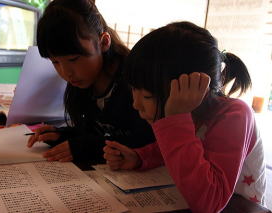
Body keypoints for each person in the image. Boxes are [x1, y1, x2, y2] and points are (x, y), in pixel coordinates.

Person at [103, 21, 266, 212]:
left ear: (192, 89)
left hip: (239, 207)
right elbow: (174, 148)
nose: (136, 104)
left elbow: (210, 203)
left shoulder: (235, 116)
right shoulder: (192, 112)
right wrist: (140, 158)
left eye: (147, 96)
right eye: (134, 90)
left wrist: (175, 119)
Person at [27, 0, 154, 164]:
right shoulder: (84, 83)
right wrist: (65, 135)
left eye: (73, 59)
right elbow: (96, 130)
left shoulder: (135, 82)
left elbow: (148, 139)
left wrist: (89, 148)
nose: (66, 73)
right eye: (55, 62)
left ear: (103, 42)